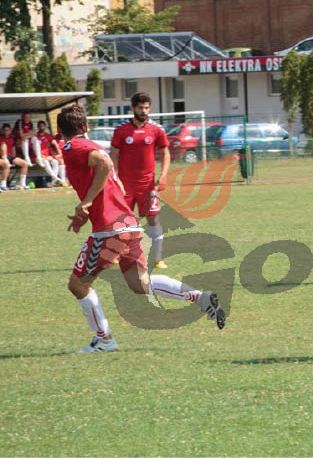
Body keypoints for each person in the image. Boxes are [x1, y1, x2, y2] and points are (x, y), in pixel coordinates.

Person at [58, 104, 224, 353]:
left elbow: (103, 164)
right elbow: (106, 180)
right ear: (85, 126)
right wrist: (86, 211)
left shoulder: (73, 147)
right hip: (128, 224)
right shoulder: (92, 145)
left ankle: (104, 341)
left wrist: (88, 202)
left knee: (78, 285)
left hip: (110, 229)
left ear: (60, 131)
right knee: (140, 284)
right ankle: (199, 297)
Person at [110, 93, 171, 269]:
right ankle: (117, 254)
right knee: (121, 220)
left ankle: (158, 258)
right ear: (133, 108)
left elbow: (165, 152)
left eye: (146, 108)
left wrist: (164, 174)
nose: (143, 111)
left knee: (153, 220)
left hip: (148, 186)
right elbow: (113, 154)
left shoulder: (156, 129)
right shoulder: (121, 130)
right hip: (125, 185)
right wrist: (114, 178)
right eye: (140, 108)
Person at [34, 120, 66, 186]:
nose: (41, 127)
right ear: (38, 127)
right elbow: (34, 148)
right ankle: (56, 178)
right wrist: (40, 156)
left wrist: (59, 152)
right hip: (39, 157)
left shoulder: (47, 135)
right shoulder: (35, 137)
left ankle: (54, 181)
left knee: (55, 162)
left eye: (43, 126)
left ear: (45, 127)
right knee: (45, 161)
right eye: (40, 126)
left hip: (47, 156)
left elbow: (54, 143)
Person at [0, 123, 29, 191]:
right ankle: (3, 185)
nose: (6, 132)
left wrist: (14, 159)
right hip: (2, 156)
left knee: (24, 164)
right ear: (2, 130)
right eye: (5, 130)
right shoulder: (0, 137)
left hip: (10, 157)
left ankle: (22, 184)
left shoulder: (12, 138)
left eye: (8, 130)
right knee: (3, 144)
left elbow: (13, 149)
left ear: (10, 131)